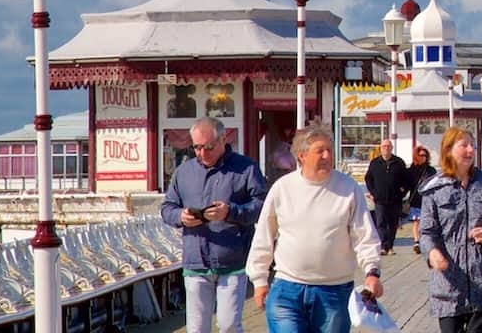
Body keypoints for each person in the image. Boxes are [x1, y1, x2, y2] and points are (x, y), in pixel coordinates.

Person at [244, 126, 383, 333]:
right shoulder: (283, 188)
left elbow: (364, 236)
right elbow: (264, 235)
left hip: (334, 292)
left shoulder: (348, 188)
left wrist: (372, 271)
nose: (327, 156)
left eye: (330, 150)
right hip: (287, 289)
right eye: (320, 151)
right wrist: (259, 280)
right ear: (302, 155)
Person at [161, 117, 268, 333]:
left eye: (208, 147)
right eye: (196, 148)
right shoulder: (184, 172)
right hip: (196, 260)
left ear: (223, 140)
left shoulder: (246, 168)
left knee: (229, 326)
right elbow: (167, 207)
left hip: (233, 259)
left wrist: (231, 212)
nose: (202, 153)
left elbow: (262, 206)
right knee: (197, 328)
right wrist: (181, 216)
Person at [419, 127, 482, 333]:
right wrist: (432, 252)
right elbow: (426, 232)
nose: (471, 150)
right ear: (448, 150)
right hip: (448, 284)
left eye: (473, 145)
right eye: (464, 145)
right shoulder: (434, 188)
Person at [363, 139, 412, 255]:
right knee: (380, 222)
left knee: (392, 223)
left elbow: (406, 180)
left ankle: (390, 246)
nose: (386, 148)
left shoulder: (398, 162)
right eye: (384, 146)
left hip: (395, 199)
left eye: (388, 146)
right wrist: (373, 193)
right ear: (380, 149)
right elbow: (368, 178)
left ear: (391, 148)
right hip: (379, 199)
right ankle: (383, 246)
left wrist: (402, 192)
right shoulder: (375, 163)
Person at [410, 146, 438, 255]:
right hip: (415, 199)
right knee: (416, 221)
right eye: (421, 155)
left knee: (426, 222)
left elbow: (435, 183)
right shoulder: (412, 169)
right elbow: (407, 183)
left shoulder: (431, 170)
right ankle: (416, 242)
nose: (423, 157)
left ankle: (425, 242)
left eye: (425, 155)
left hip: (427, 199)